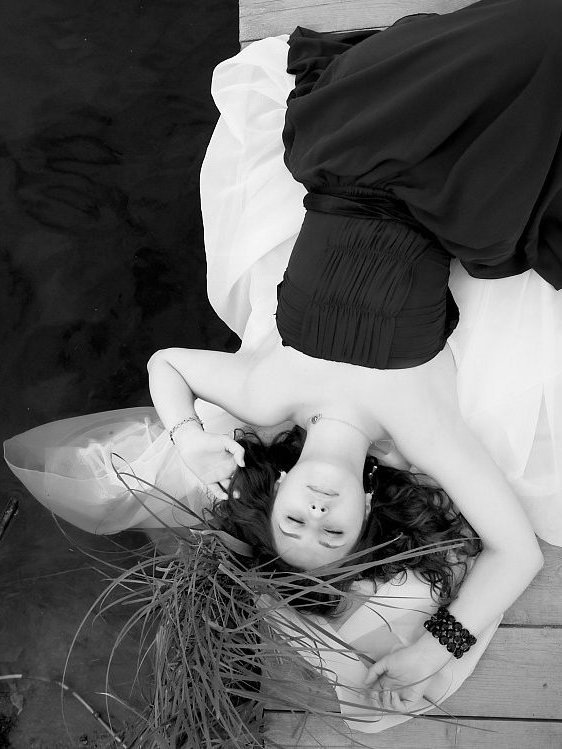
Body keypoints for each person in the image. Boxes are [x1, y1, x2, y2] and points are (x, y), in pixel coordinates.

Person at [4, 0, 561, 731]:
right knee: (544, 43)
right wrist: (432, 650)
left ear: (281, 486)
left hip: (353, 143)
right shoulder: (421, 432)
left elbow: (167, 363)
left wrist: (186, 439)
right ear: (367, 508)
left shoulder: (266, 397)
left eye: (295, 519)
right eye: (334, 533)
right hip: (451, 187)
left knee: (519, 37)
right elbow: (514, 552)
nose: (318, 515)